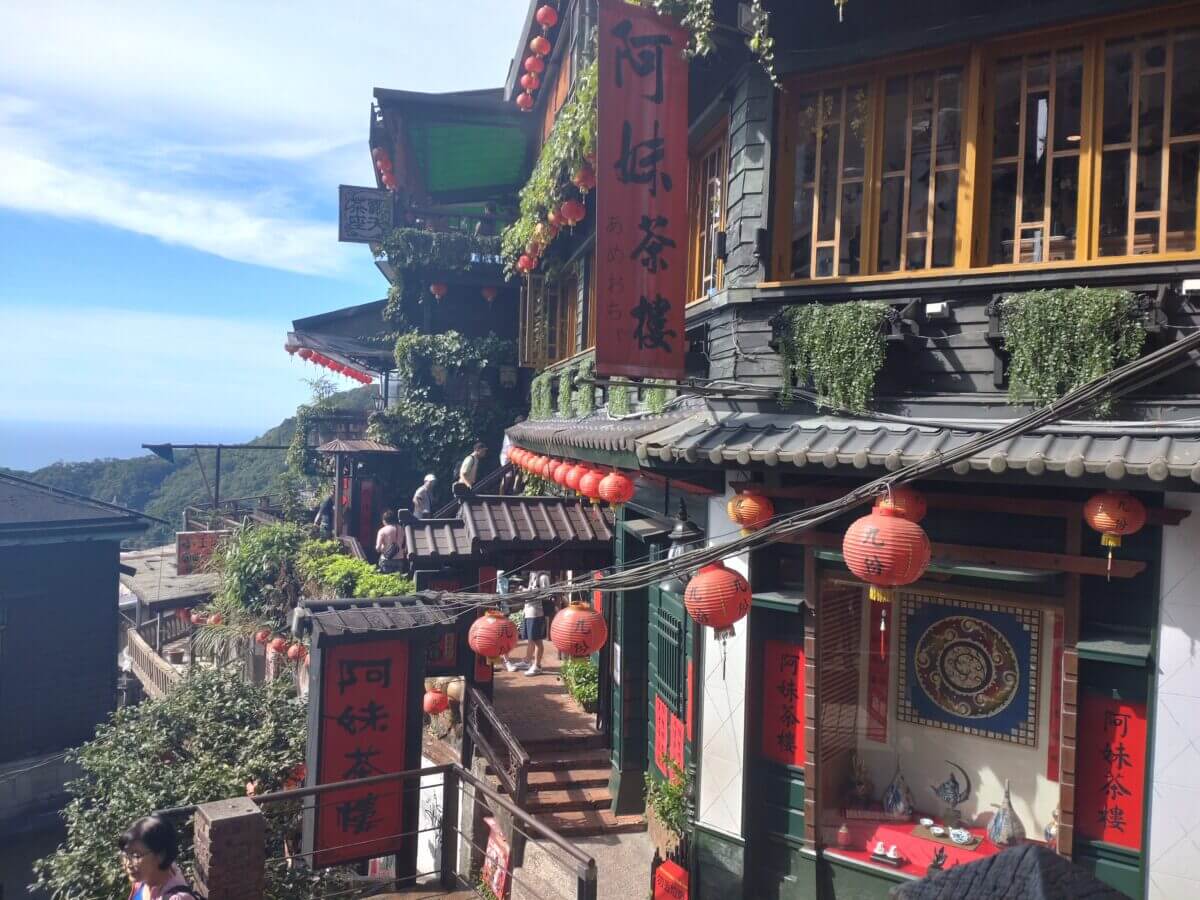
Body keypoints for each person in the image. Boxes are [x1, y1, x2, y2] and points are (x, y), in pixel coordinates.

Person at [119, 816, 196, 900]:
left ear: (161, 855)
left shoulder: (176, 898)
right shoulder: (143, 879)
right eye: (125, 854)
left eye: (136, 856)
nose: (128, 864)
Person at [518, 571, 550, 677]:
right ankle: (527, 661)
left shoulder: (543, 577)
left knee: (537, 640)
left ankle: (537, 666)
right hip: (528, 611)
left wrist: (526, 591)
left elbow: (546, 595)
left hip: (536, 612)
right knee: (531, 639)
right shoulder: (533, 574)